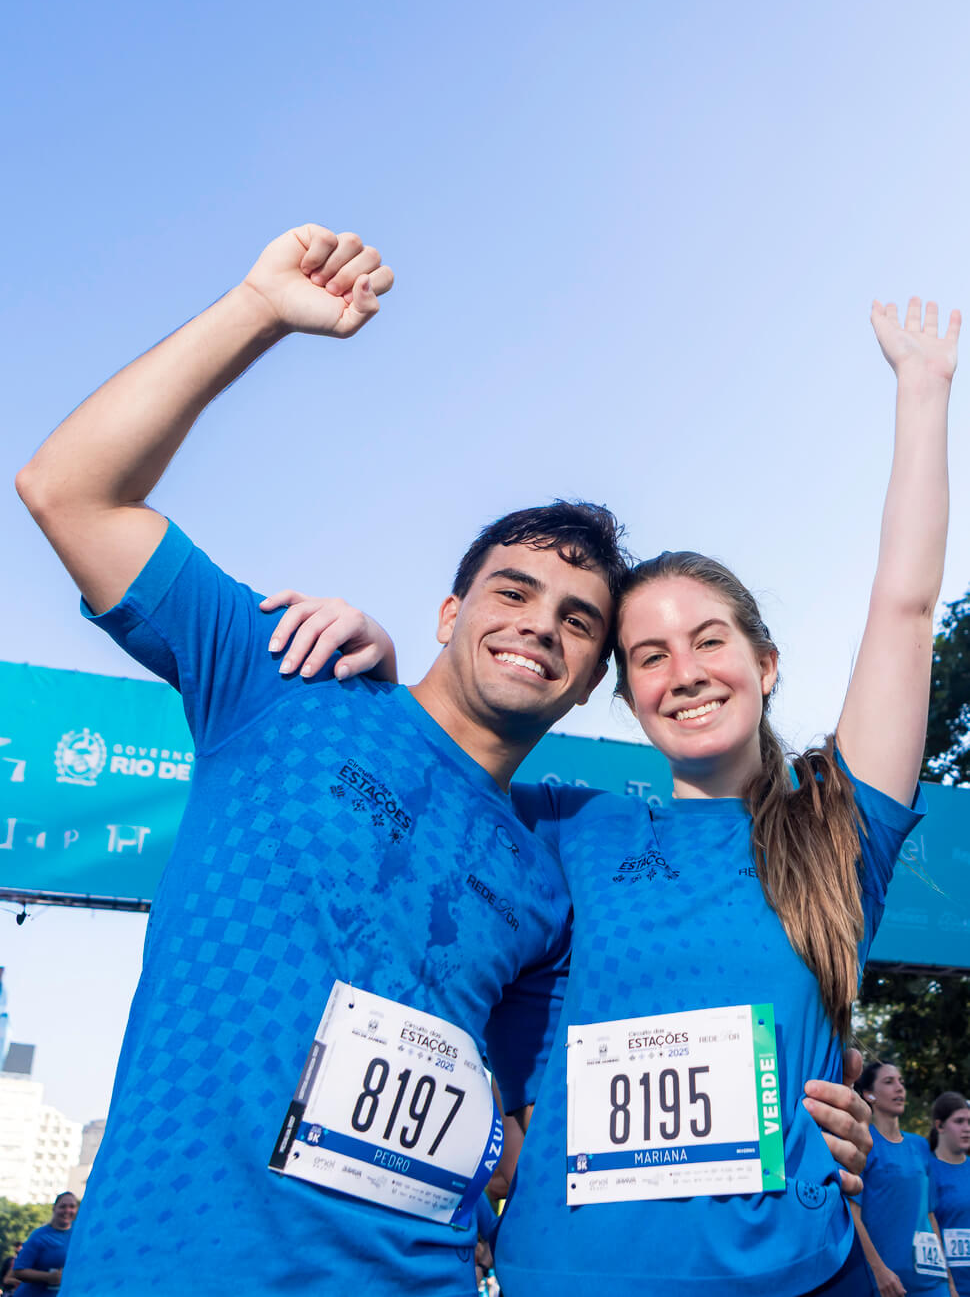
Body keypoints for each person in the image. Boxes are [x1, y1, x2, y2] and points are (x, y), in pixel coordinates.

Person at [16, 222, 872, 1296]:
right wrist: (259, 309)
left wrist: (804, 1131)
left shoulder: (546, 874)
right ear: (447, 611)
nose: (540, 624)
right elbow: (68, 488)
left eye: (579, 620)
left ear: (589, 679)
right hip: (171, 1266)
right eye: (512, 591)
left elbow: (570, 1110)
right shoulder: (284, 679)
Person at [277, 295, 959, 1295]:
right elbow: (433, 767)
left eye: (709, 640)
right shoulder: (561, 824)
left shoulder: (834, 829)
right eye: (649, 655)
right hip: (566, 1273)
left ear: (765, 664)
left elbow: (904, 610)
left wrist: (924, 392)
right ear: (627, 693)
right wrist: (384, 675)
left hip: (796, 1278)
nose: (685, 672)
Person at [852, 1063, 955, 1295]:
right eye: (889, 1082)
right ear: (869, 1095)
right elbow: (852, 1214)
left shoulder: (919, 1145)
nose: (899, 1088)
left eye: (901, 1082)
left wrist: (949, 1281)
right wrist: (879, 1271)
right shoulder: (863, 1143)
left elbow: (929, 1215)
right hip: (889, 1284)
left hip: (933, 1281)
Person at [929, 1091, 970, 1294]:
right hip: (942, 1286)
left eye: (969, 1122)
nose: (967, 1128)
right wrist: (949, 1285)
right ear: (940, 1126)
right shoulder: (924, 1171)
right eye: (959, 1121)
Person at [12, 1194, 78, 1295]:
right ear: (54, 1208)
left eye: (72, 1206)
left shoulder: (79, 1233)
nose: (67, 1210)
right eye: (63, 1206)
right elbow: (18, 1271)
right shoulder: (39, 1236)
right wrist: (49, 1277)